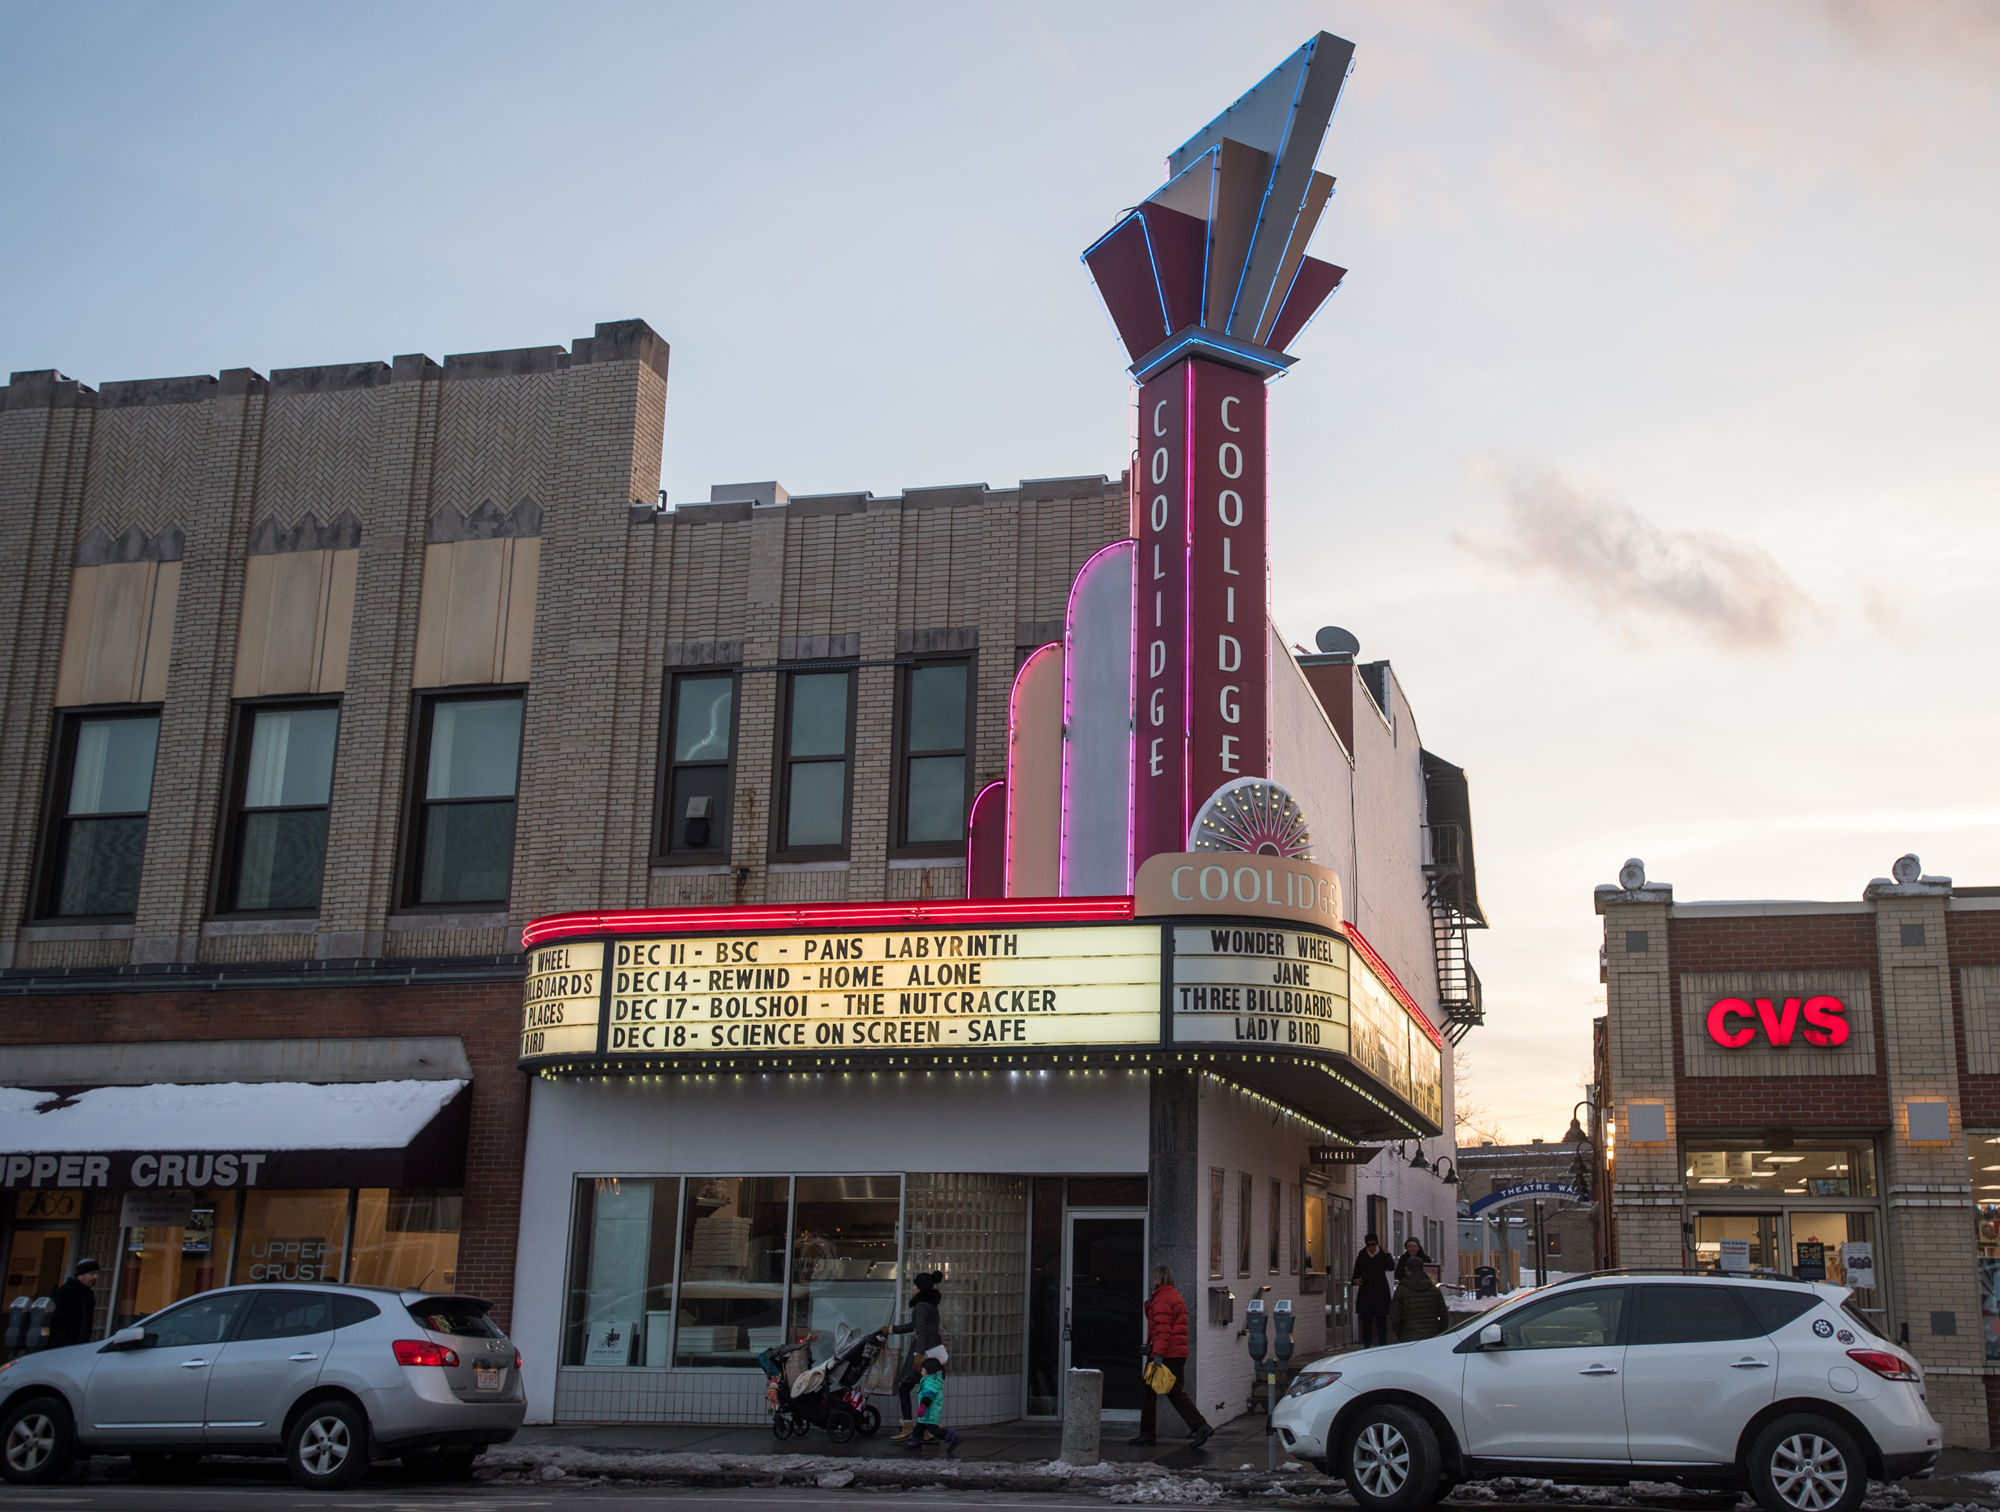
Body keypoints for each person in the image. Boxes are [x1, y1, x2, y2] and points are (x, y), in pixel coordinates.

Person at [1129, 1265, 1214, 1449]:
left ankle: (1147, 1434)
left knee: (1149, 1393)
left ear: (1158, 1279)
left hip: (1164, 1354)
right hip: (1177, 1353)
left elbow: (1162, 1330)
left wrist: (1157, 1354)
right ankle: (1201, 1426)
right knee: (1175, 1392)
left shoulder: (1161, 1299)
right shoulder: (1175, 1296)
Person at [879, 1271, 943, 1441]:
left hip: (923, 1350)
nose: (912, 1288)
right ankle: (930, 1430)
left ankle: (907, 1426)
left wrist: (918, 1355)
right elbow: (916, 1326)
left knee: (905, 1388)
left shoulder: (921, 1306)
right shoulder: (930, 1305)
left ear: (921, 1288)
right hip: (933, 1348)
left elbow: (920, 1331)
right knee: (928, 1389)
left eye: (915, 1285)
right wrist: (891, 1330)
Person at [1350, 1233, 1395, 1348]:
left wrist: (1388, 1254)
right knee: (1366, 1321)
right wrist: (1355, 1280)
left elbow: (1391, 1267)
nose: (1371, 1247)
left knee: (1381, 1320)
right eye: (1368, 1245)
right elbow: (1356, 1272)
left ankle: (1382, 1345)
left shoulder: (1382, 1254)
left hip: (1380, 1291)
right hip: (1366, 1291)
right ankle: (1367, 1345)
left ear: (1377, 1243)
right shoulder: (1362, 1255)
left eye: (1373, 1244)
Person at [904, 1355, 958, 1452]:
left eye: (922, 1370)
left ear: (929, 1370)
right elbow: (921, 1377)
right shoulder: (929, 1379)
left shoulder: (930, 1381)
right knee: (919, 1428)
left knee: (933, 1429)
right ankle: (915, 1442)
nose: (921, 1372)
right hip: (926, 1412)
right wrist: (916, 1370)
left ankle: (950, 1437)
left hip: (929, 1411)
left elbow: (929, 1394)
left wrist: (923, 1406)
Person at [1388, 1262, 1450, 1341]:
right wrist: (1439, 1332)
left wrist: (1401, 1334)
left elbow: (1395, 1316)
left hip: (1409, 1337)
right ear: (1423, 1269)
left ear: (1407, 1270)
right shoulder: (1434, 1290)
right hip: (1432, 1336)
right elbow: (1444, 1316)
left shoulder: (1401, 1290)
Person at [47, 1258, 100, 1348]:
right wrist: (60, 1342)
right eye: (92, 1273)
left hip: (80, 1346)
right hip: (61, 1347)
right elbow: (54, 1321)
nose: (95, 1277)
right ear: (81, 1274)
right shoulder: (64, 1292)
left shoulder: (88, 1295)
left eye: (96, 1273)